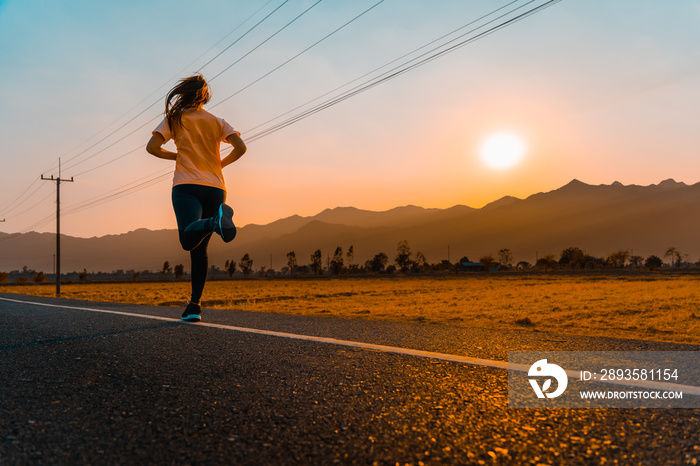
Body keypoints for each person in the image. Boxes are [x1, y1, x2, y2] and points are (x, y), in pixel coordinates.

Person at [146, 74, 247, 322]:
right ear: (205, 97)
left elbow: (151, 147)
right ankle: (194, 306)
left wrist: (176, 156)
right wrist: (219, 164)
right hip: (216, 186)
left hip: (186, 185)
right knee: (199, 249)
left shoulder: (175, 119)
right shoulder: (218, 121)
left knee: (188, 241)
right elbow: (241, 148)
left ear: (184, 94)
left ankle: (214, 223)